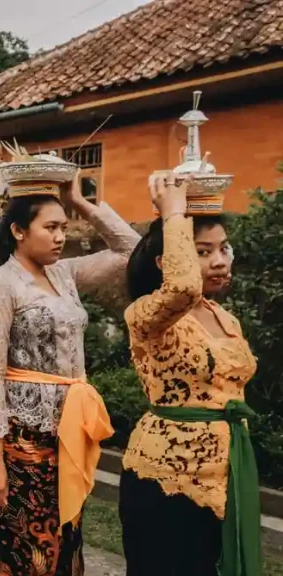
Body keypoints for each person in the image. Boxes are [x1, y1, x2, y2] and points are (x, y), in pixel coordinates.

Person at [0, 171, 139, 575]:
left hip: (69, 431)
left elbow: (131, 251)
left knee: (66, 538)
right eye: (51, 227)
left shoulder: (63, 274)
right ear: (17, 230)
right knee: (24, 545)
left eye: (65, 227)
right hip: (22, 439)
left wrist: (82, 203)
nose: (61, 236)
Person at [119, 174, 261, 575]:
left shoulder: (223, 317)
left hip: (227, 471)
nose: (219, 260)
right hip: (166, 481)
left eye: (223, 248)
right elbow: (182, 287)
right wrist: (174, 212)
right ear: (167, 260)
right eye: (203, 251)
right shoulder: (148, 317)